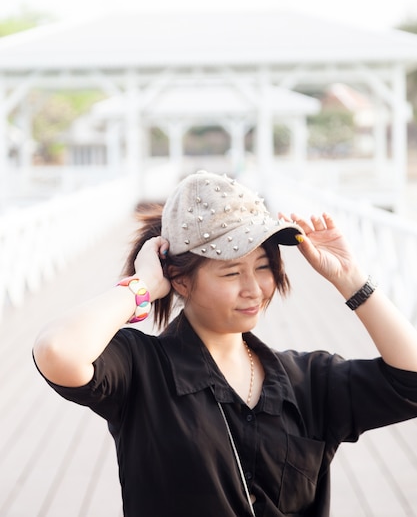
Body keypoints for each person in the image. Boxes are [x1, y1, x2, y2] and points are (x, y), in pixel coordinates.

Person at [33, 170, 417, 517]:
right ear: (181, 281)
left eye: (263, 267)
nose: (253, 289)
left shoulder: (308, 380)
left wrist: (352, 280)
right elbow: (57, 351)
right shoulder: (141, 369)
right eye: (232, 271)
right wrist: (143, 285)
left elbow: (411, 380)